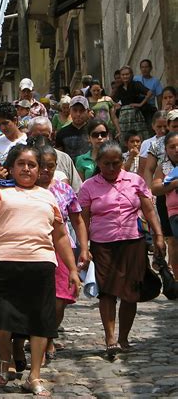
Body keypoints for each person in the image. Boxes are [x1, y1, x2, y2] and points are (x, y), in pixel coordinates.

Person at [0, 144, 80, 395]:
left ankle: (34, 376)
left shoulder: (48, 196)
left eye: (32, 165)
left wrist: (73, 269)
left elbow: (61, 236)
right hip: (0, 261)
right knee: (1, 317)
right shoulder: (0, 192)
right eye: (21, 164)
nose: (26, 169)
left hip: (40, 263)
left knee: (40, 322)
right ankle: (4, 360)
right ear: (10, 168)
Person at [78, 141, 165, 357]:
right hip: (103, 245)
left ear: (121, 162)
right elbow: (82, 219)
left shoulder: (134, 181)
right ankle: (110, 339)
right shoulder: (89, 186)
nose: (111, 168)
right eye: (106, 164)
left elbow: (149, 210)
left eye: (115, 163)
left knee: (130, 292)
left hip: (133, 242)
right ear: (98, 163)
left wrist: (158, 235)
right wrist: (84, 247)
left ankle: (124, 338)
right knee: (107, 292)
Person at [36, 145, 89, 360]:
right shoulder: (24, 188)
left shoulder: (64, 190)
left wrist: (84, 248)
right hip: (34, 247)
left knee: (60, 297)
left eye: (51, 166)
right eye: (42, 166)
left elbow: (78, 219)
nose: (46, 171)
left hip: (62, 247)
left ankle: (49, 336)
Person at [28, 117, 83, 193]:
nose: (41, 140)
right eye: (36, 136)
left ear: (51, 135)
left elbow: (77, 189)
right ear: (29, 135)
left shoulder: (64, 158)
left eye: (45, 136)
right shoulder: (24, 158)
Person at [151, 131, 178, 273]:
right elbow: (155, 188)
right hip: (170, 211)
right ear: (166, 149)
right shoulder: (163, 167)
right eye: (172, 147)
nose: (176, 150)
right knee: (173, 243)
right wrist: (173, 184)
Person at [112, 65, 152, 143]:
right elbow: (112, 100)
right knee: (126, 139)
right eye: (123, 75)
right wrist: (117, 105)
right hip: (124, 118)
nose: (125, 76)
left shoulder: (136, 84)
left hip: (137, 115)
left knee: (139, 137)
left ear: (131, 74)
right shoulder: (119, 88)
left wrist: (140, 104)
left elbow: (149, 93)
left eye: (127, 74)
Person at [55, 96, 90, 162]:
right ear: (70, 111)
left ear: (87, 111)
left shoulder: (94, 131)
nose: (78, 114)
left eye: (82, 110)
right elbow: (59, 157)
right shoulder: (62, 133)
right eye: (75, 110)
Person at [137, 110, 168, 176]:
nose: (163, 130)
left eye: (165, 126)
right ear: (153, 126)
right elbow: (142, 170)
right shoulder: (146, 143)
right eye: (159, 127)